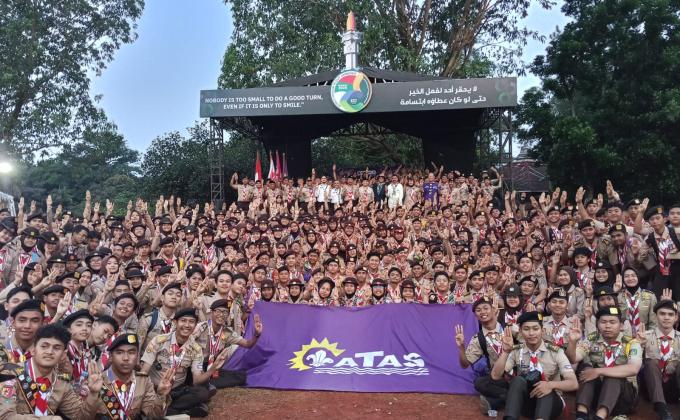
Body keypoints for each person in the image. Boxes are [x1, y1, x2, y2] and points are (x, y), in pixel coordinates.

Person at [139, 308, 231, 417]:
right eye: (183, 321)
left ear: (195, 325)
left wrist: (213, 368)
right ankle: (178, 410)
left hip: (176, 391)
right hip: (156, 389)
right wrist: (144, 393)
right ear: (175, 322)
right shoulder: (159, 341)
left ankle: (169, 409)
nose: (187, 325)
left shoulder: (196, 349)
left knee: (202, 393)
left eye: (191, 322)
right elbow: (144, 371)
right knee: (147, 407)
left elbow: (196, 380)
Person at [0, 323, 101, 418]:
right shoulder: (9, 373)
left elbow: (79, 417)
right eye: (44, 346)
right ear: (33, 350)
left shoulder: (61, 383)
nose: (49, 352)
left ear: (63, 354)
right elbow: (5, 416)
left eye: (56, 348)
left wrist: (93, 393)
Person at [491, 311, 578, 420]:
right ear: (520, 331)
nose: (531, 333)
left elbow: (573, 383)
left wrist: (550, 385)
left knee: (544, 386)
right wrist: (505, 352)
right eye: (526, 329)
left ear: (542, 330)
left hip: (551, 403)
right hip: (528, 404)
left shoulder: (556, 352)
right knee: (517, 380)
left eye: (535, 329)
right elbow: (495, 376)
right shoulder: (516, 351)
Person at [567, 306, 643, 420]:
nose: (607, 326)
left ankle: (599, 417)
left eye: (612, 322)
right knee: (587, 369)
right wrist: (572, 342)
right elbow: (573, 359)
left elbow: (634, 368)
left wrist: (598, 371)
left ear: (621, 325)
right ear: (597, 324)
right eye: (603, 322)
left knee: (612, 375)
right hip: (597, 396)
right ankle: (581, 414)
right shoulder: (592, 339)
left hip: (624, 398)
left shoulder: (631, 343)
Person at [97, 333, 172, 419]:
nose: (126, 358)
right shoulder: (98, 381)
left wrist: (160, 395)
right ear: (110, 357)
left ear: (137, 356)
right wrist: (92, 394)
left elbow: (153, 417)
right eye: (119, 352)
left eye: (131, 352)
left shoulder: (143, 381)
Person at [192, 299, 263, 389]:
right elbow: (186, 342)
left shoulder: (226, 332)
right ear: (211, 313)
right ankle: (203, 381)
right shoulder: (201, 328)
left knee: (241, 377)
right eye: (218, 311)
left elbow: (247, 344)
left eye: (225, 312)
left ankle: (208, 381)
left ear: (228, 315)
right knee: (199, 382)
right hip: (196, 362)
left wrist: (256, 334)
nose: (221, 315)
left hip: (211, 365)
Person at [455, 297, 507, 417]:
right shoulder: (478, 339)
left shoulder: (509, 328)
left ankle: (496, 401)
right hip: (498, 378)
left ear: (493, 310)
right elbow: (465, 364)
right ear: (475, 315)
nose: (482, 312)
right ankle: (511, 396)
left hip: (516, 375)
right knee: (479, 383)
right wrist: (461, 347)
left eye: (485, 308)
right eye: (478, 310)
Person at [638, 299, 679, 420]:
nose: (666, 317)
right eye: (662, 313)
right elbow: (634, 364)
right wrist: (638, 345)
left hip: (673, 388)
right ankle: (661, 408)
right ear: (656, 316)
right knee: (651, 362)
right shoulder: (644, 336)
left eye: (670, 314)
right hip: (650, 388)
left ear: (676, 318)